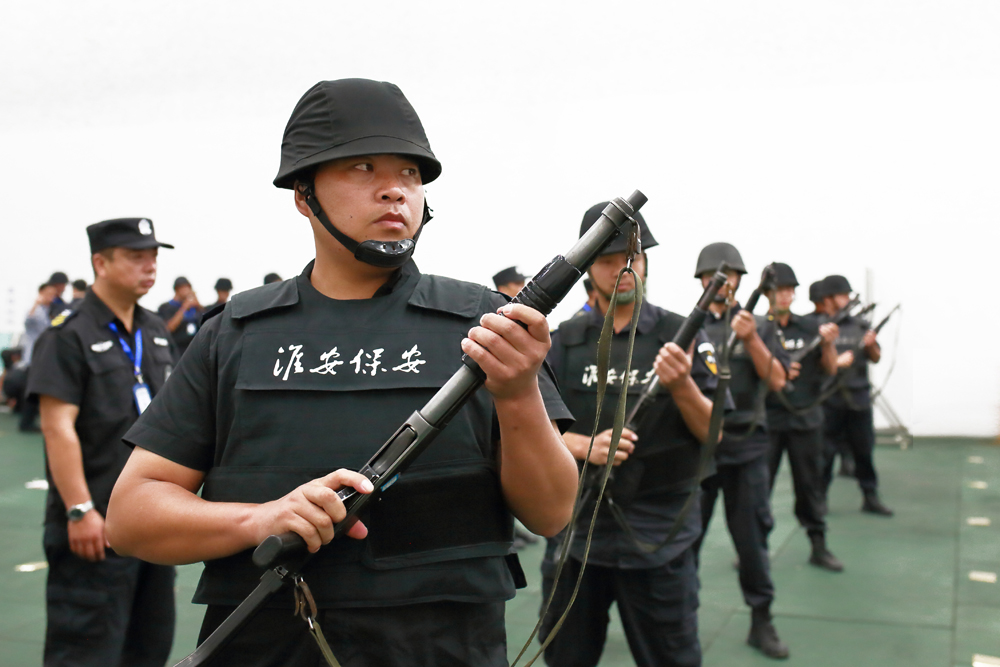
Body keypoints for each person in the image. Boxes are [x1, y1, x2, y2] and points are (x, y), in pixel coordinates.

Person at [105, 78, 578, 667]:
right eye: (362, 167)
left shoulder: (484, 327)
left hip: (442, 648)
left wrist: (518, 392)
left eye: (410, 173)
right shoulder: (235, 334)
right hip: (267, 646)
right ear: (303, 195)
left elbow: (552, 512)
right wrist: (260, 519)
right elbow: (131, 516)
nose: (394, 190)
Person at [539, 204, 720, 667]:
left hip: (657, 537)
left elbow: (714, 433)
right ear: (587, 268)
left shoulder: (682, 335)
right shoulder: (560, 342)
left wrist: (683, 385)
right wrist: (582, 445)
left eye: (632, 258)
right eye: (607, 260)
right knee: (565, 656)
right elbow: (525, 428)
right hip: (577, 533)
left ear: (646, 262)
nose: (622, 269)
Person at [26, 217, 178, 667]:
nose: (150, 266)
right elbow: (57, 427)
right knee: (87, 650)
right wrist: (79, 509)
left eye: (154, 257)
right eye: (136, 257)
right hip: (95, 525)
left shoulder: (155, 330)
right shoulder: (68, 333)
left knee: (149, 646)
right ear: (101, 263)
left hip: (152, 524)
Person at [691, 243, 790, 659]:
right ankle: (679, 620)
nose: (721, 283)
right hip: (698, 450)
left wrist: (750, 339)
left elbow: (779, 379)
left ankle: (761, 619)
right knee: (685, 543)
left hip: (747, 447)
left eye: (730, 275)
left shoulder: (760, 326)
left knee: (752, 543)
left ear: (739, 281)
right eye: (713, 276)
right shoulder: (688, 326)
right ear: (701, 280)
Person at [764, 263, 843, 571]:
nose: (785, 295)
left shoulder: (811, 327)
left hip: (805, 419)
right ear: (767, 293)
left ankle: (818, 546)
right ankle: (754, 547)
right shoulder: (758, 330)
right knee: (759, 489)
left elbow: (831, 368)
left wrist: (829, 343)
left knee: (810, 487)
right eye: (779, 290)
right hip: (769, 420)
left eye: (790, 290)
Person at [819, 275, 893, 516]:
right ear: (828, 298)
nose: (846, 299)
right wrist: (835, 361)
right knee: (824, 455)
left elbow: (876, 357)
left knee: (864, 451)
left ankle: (870, 496)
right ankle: (819, 499)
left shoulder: (860, 325)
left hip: (858, 398)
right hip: (829, 399)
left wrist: (871, 344)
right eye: (841, 295)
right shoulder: (819, 326)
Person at [16, 282, 58, 431]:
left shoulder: (49, 311)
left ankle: (28, 422)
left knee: (36, 391)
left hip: (42, 357)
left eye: (53, 294)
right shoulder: (36, 310)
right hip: (33, 358)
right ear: (41, 293)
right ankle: (26, 423)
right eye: (48, 294)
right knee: (32, 391)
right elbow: (28, 320)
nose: (51, 297)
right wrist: (36, 303)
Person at [157, 276, 203, 359]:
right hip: (175, 351)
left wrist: (197, 303)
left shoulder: (193, 307)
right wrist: (184, 307)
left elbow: (205, 322)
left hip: (193, 351)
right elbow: (168, 328)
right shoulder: (166, 307)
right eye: (183, 288)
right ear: (177, 289)